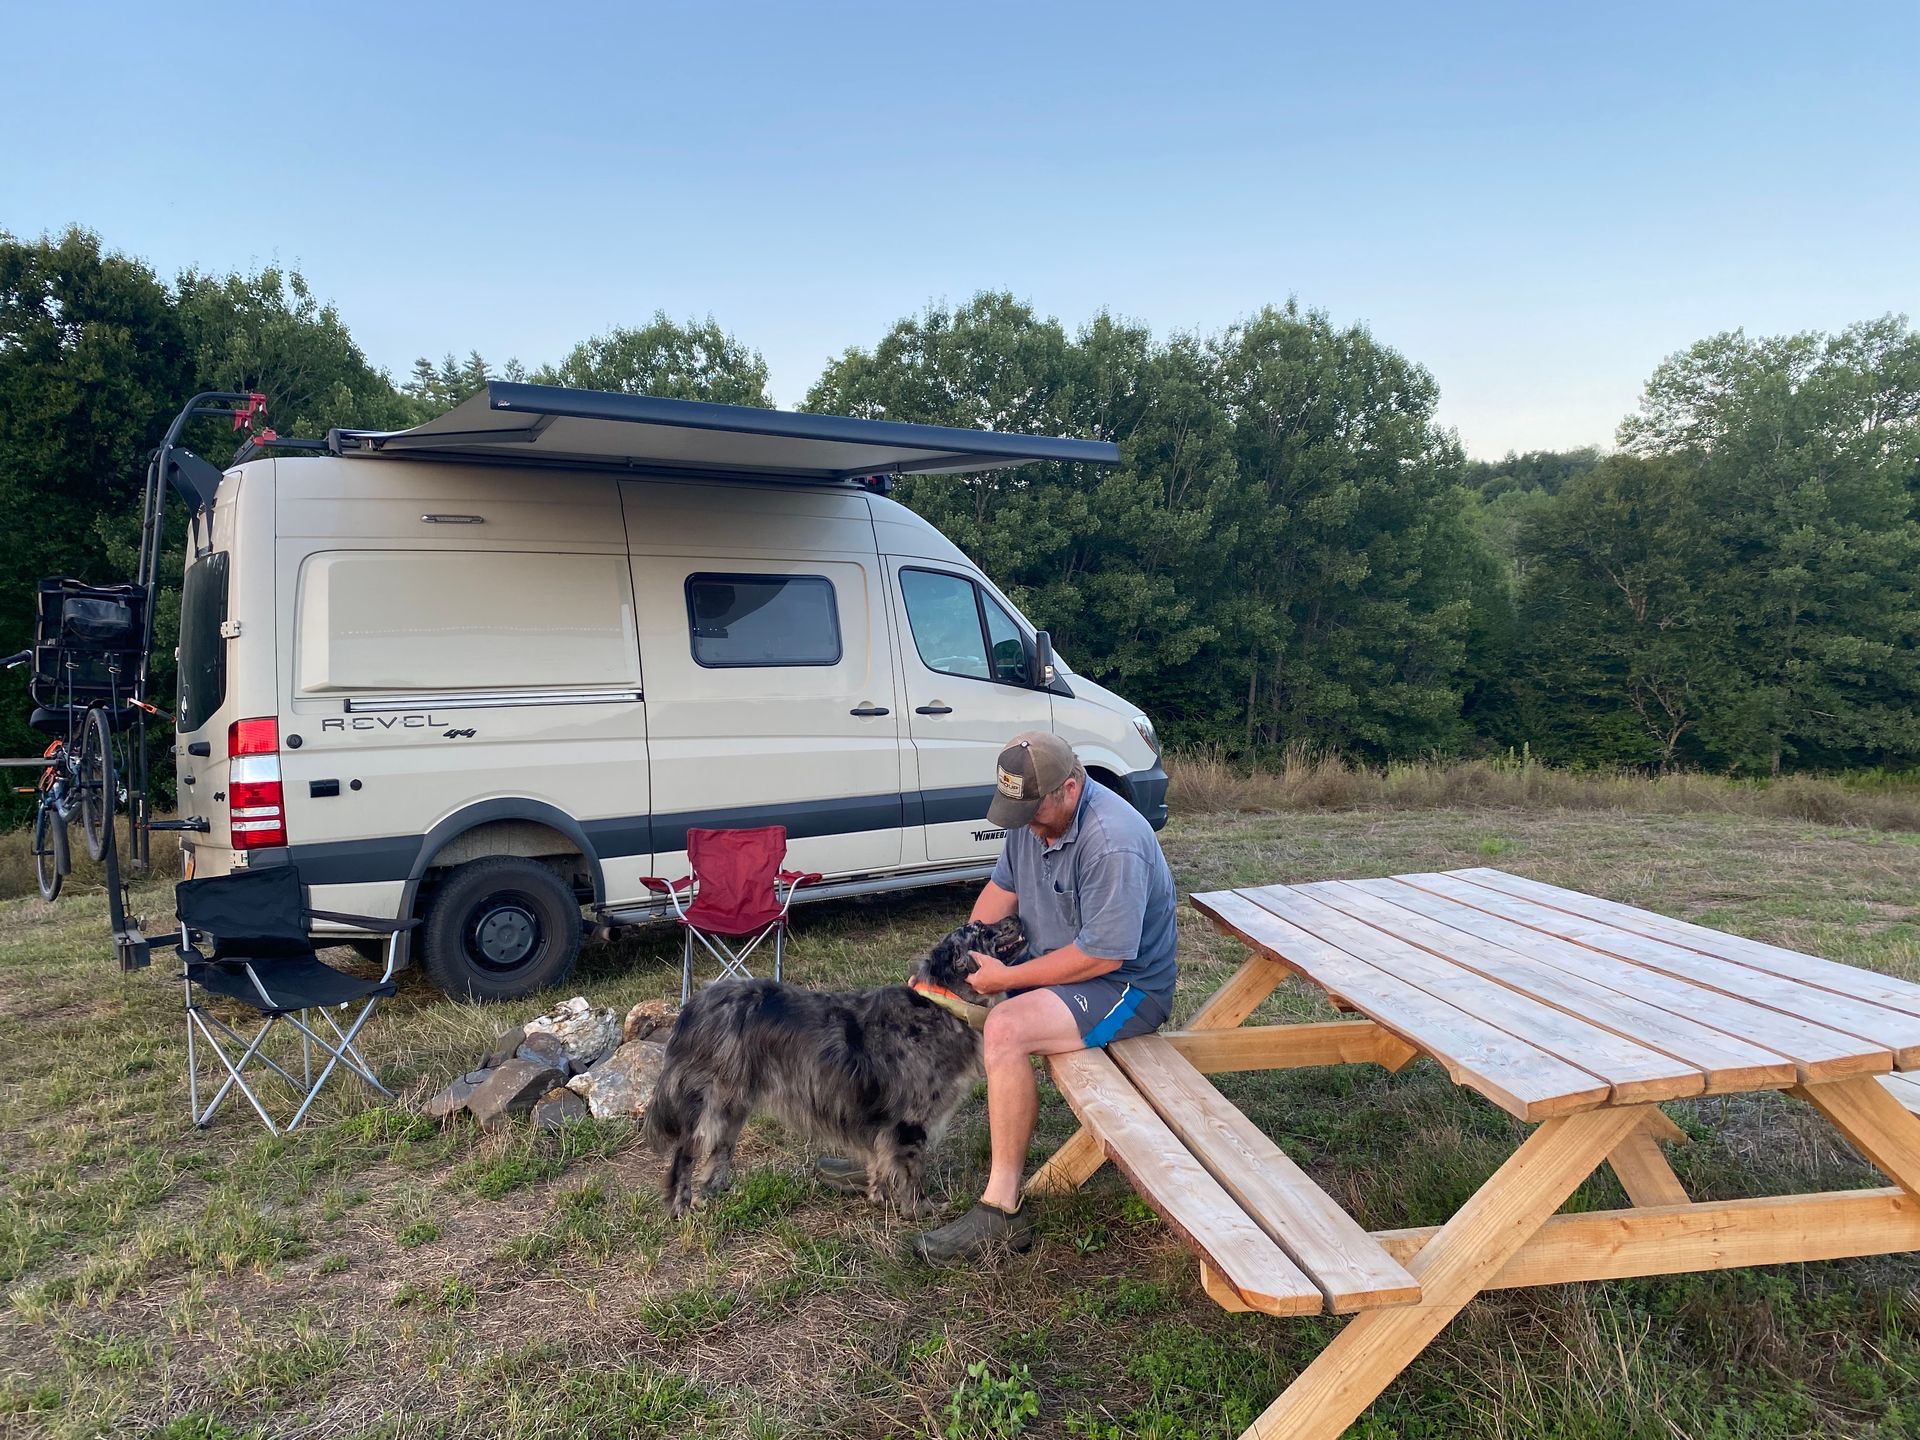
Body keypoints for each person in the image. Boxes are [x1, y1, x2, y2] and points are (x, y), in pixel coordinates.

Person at [910, 730, 1179, 1263]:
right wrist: (951, 960)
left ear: (1071, 789)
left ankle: (1001, 1211)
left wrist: (1007, 980)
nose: (1023, 821)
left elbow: (1104, 957)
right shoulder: (1030, 818)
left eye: (1032, 810)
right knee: (924, 999)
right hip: (1058, 965)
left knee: (1006, 1028)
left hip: (1123, 988)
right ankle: (892, 1137)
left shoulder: (1113, 840)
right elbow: (1000, 893)